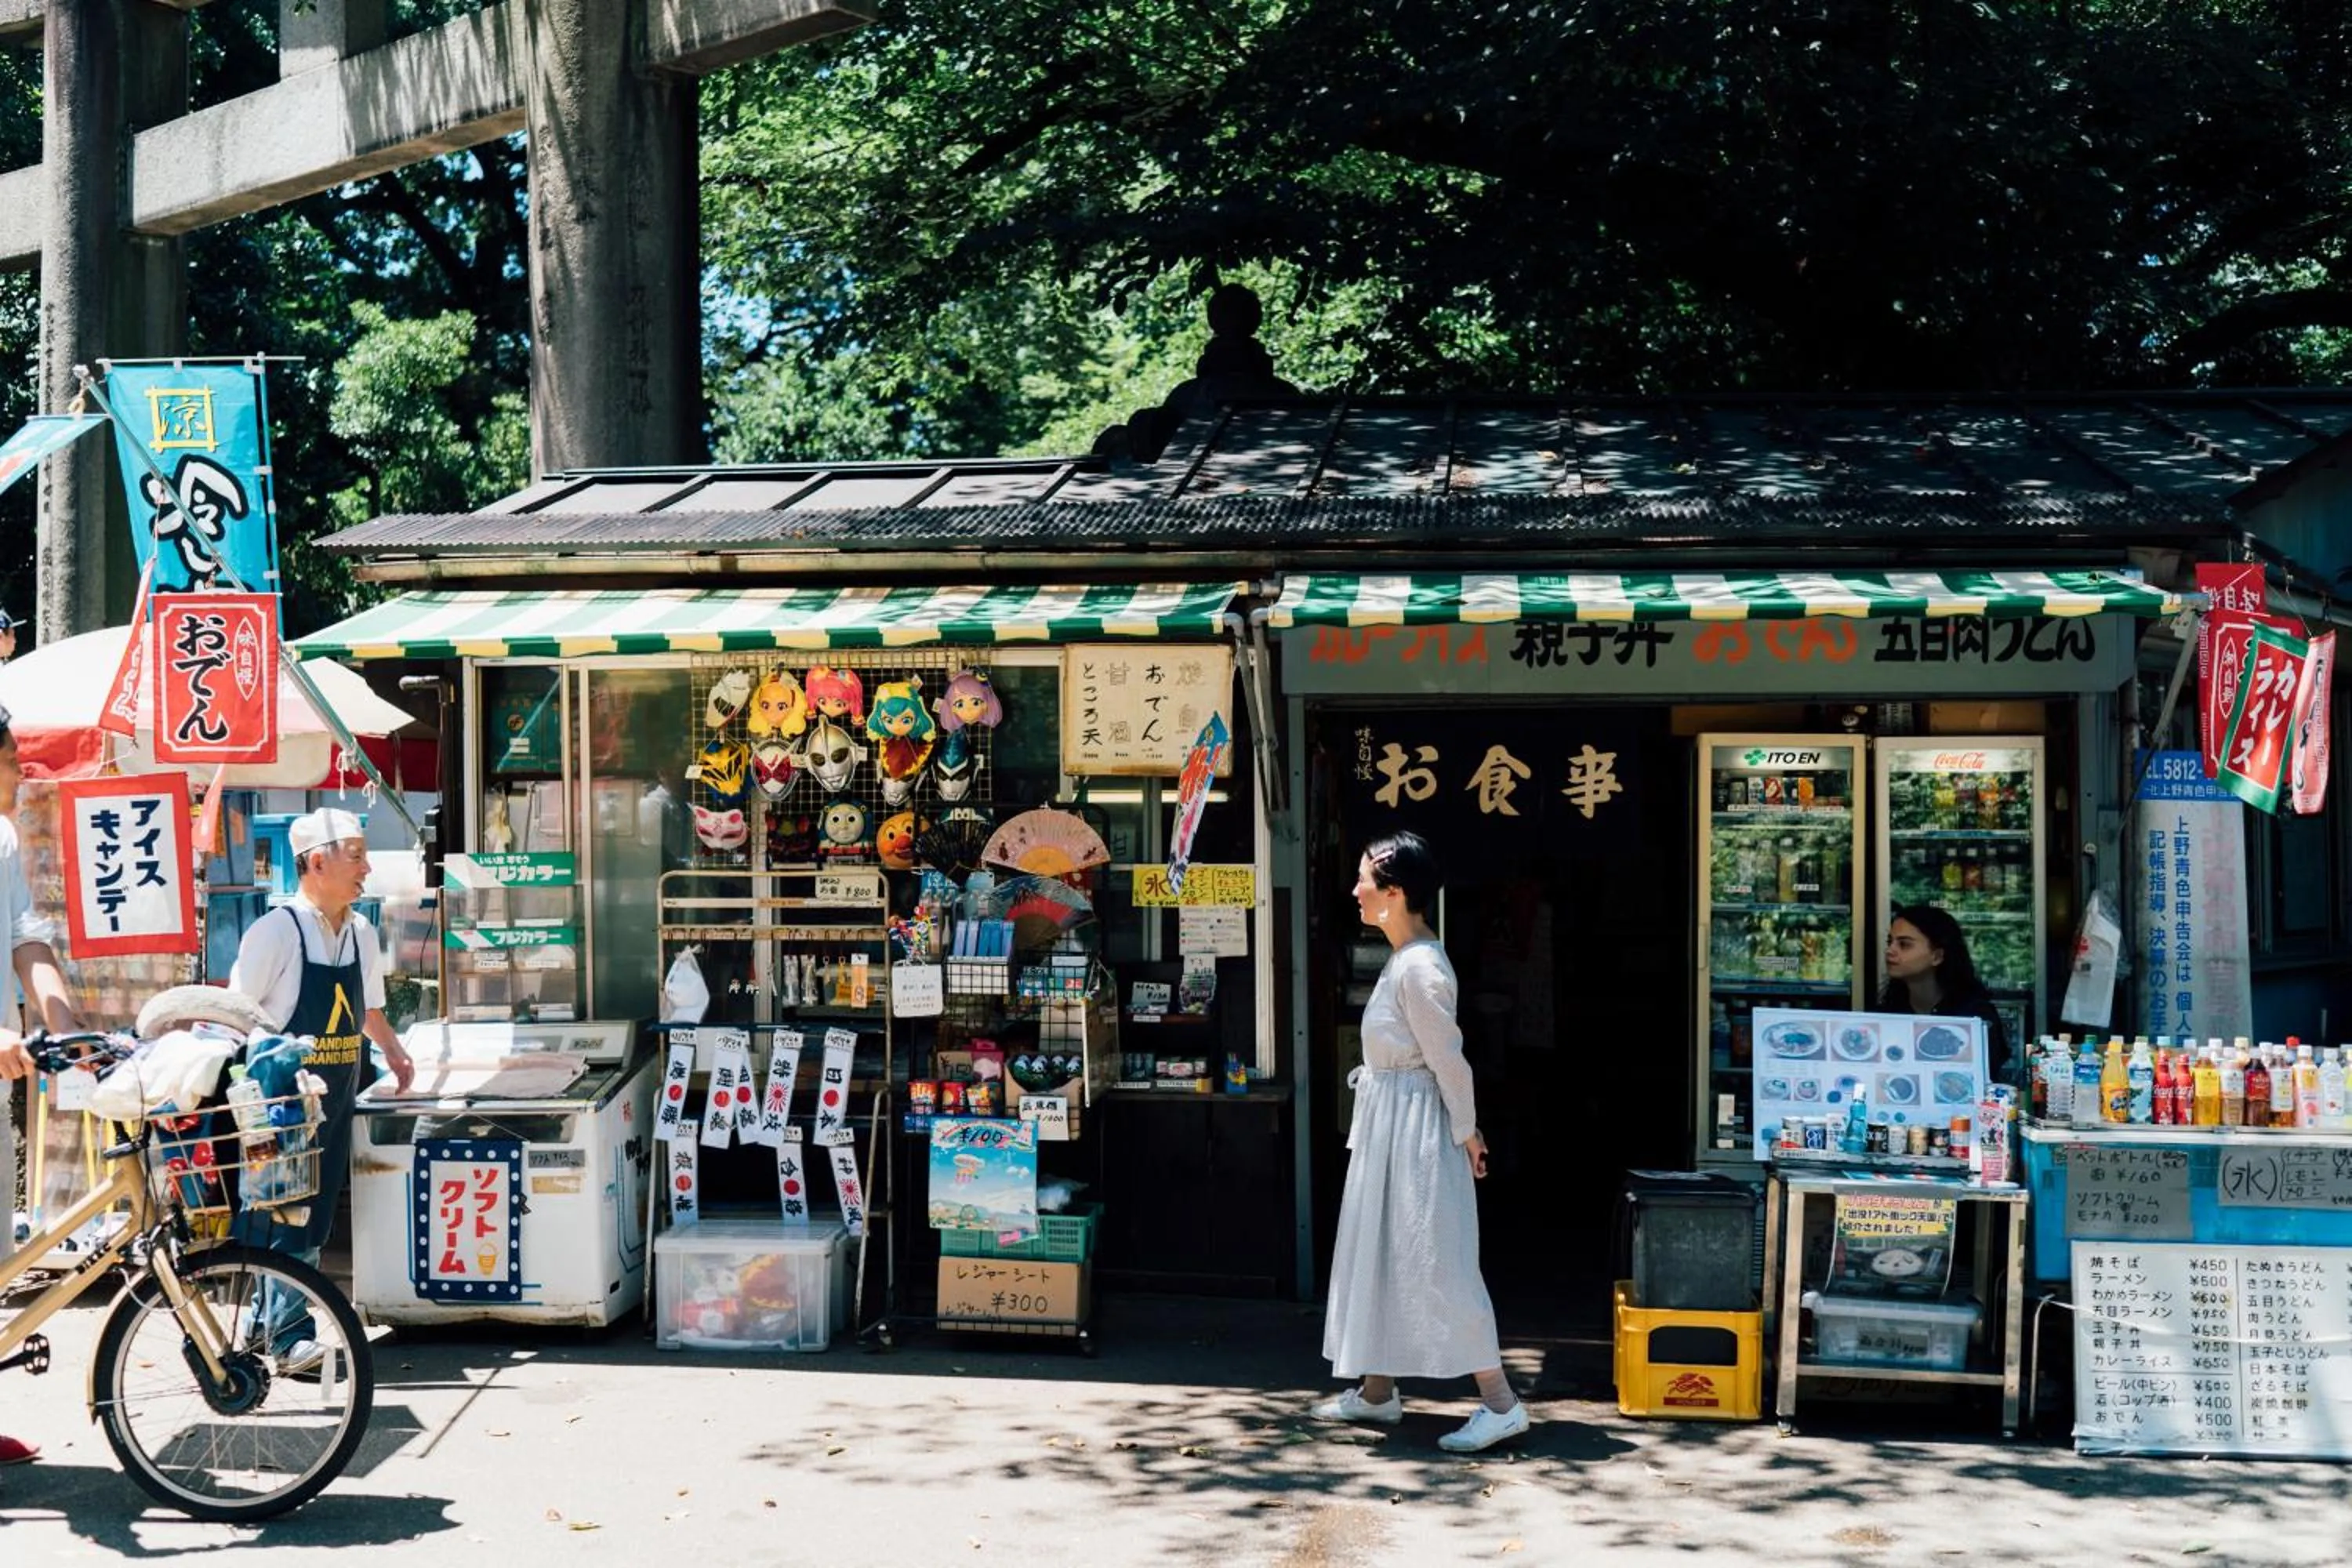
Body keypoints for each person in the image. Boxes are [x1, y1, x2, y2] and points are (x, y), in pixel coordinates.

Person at [1314, 829, 1529, 1454]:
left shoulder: (1422, 968)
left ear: (1395, 891)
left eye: (1364, 879)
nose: (1354, 890)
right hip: (1395, 1127)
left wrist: (1467, 1132)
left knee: (1438, 1262)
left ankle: (1501, 1403)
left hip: (1417, 1134)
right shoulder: (1407, 959)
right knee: (1389, 1251)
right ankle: (1377, 1393)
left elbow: (1450, 1063)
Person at [227, 808, 413, 1363]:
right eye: (354, 855)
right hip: (283, 1099)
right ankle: (284, 1335)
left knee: (315, 1212)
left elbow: (366, 1008)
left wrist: (395, 1052)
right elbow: (235, 1011)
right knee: (283, 1212)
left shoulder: (360, 932)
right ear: (316, 862)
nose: (367, 866)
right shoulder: (275, 930)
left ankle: (272, 1327)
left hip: (335, 1090)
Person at [0, 703, 84, 1468]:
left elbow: (29, 939)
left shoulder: (1, 840)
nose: (20, 776)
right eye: (7, 762)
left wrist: (66, 1026)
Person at [1876, 902, 2013, 1082]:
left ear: (1937, 956)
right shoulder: (1888, 1012)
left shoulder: (1974, 1015)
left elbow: (1985, 1080)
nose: (1890, 951)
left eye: (1904, 944)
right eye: (1890, 942)